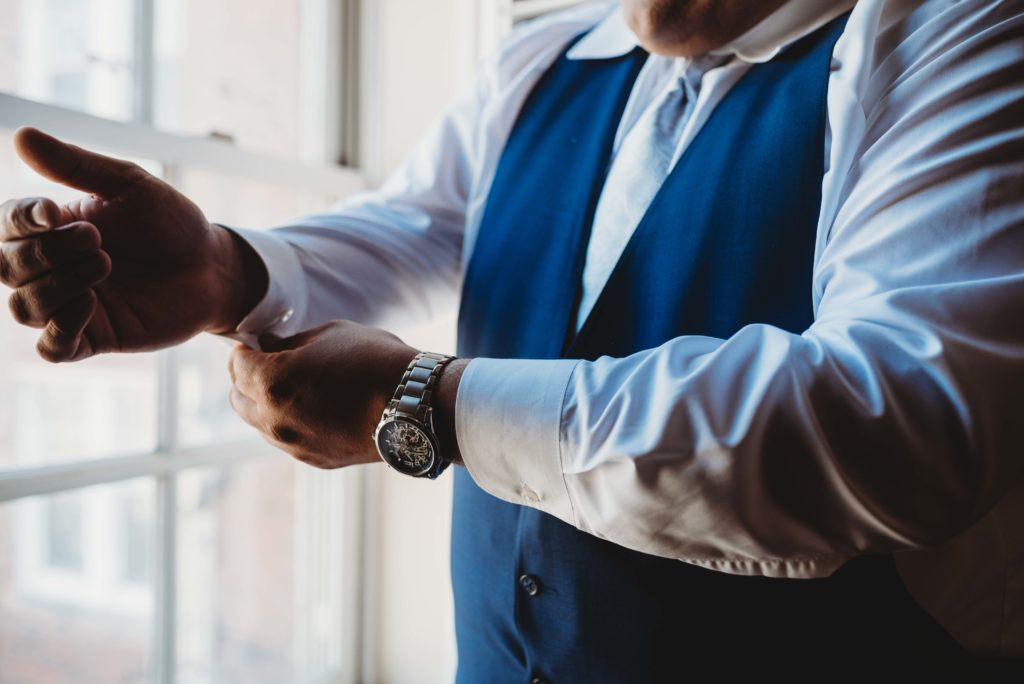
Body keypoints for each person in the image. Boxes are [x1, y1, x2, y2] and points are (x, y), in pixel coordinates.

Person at [2, 0, 1023, 679]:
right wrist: (232, 271)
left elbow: (894, 419)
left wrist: (425, 408)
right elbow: (422, 222)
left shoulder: (959, 36)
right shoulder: (544, 54)